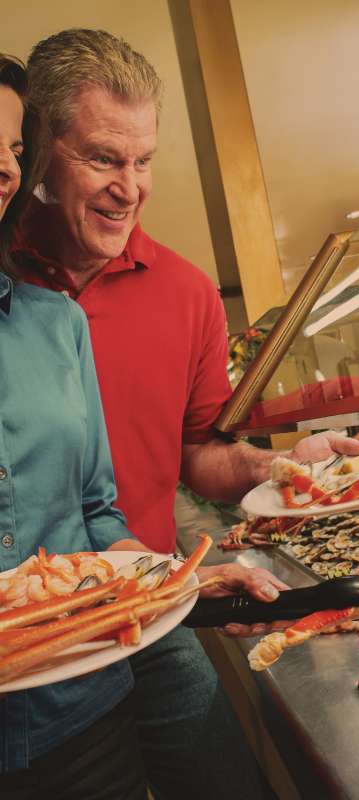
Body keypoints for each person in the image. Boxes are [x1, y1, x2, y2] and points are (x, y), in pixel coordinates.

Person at [13, 28, 359, 800]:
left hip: (152, 596)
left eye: (144, 162)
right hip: (37, 633)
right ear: (37, 150)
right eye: (103, 158)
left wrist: (275, 467)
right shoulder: (11, 284)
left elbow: (198, 451)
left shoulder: (186, 292)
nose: (130, 187)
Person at [0, 53, 154, 798]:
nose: (4, 170)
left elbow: (97, 512)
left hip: (84, 711)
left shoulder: (54, 320)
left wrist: (167, 583)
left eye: (13, 151)